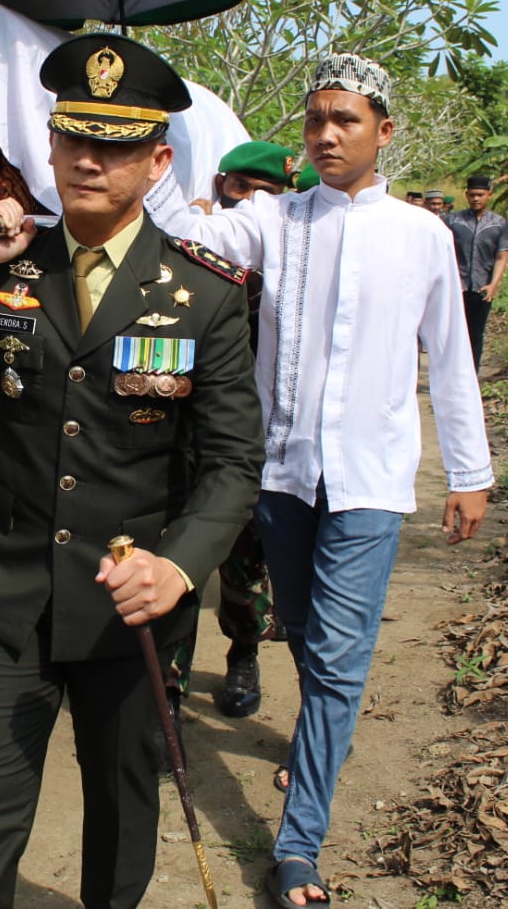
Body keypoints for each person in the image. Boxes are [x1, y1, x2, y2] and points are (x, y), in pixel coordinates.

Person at [0, 34, 264, 909]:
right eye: (73, 138)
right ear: (47, 146)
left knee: (121, 817)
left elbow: (235, 461)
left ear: (158, 160)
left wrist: (179, 567)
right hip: (3, 593)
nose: (89, 160)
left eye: (117, 144)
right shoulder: (6, 266)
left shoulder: (203, 292)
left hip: (130, 600)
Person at [144, 52, 492, 908]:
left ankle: (298, 846)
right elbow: (183, 233)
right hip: (285, 476)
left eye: (344, 119)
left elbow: (448, 359)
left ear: (383, 129)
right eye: (315, 120)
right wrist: (147, 144)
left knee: (336, 662)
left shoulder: (421, 235)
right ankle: (315, 744)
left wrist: (469, 472)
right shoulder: (275, 219)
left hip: (370, 480)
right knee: (296, 626)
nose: (327, 134)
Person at [174, 141, 292, 725]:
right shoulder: (193, 257)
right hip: (177, 432)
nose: (251, 203)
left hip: (249, 442)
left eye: (266, 193)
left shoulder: (290, 269)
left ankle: (244, 652)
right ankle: (164, 691)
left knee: (244, 562)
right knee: (175, 557)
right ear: (223, 185)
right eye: (241, 188)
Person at [444, 173, 508, 371]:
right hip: (456, 288)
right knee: (453, 334)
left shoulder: (498, 224)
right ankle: (451, 374)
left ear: (489, 195)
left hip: (482, 288)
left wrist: (493, 285)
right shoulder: (453, 221)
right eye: (472, 195)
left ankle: (471, 375)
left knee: (476, 334)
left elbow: (501, 256)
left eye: (480, 195)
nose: (476, 199)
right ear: (466, 195)